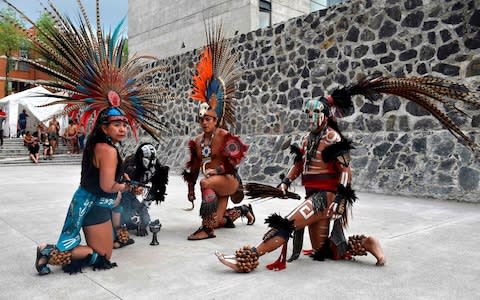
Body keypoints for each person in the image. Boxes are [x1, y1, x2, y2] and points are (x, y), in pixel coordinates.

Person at [13, 0, 171, 275]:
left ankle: (63, 249)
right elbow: (108, 186)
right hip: (94, 203)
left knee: (105, 251)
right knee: (101, 256)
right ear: (104, 126)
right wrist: (128, 187)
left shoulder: (103, 145)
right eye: (117, 124)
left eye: (125, 123)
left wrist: (123, 185)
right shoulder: (107, 150)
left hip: (93, 201)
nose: (123, 128)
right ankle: (49, 252)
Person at [183, 24, 252, 241]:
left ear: (216, 119)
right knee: (219, 219)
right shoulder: (195, 141)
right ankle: (241, 211)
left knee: (207, 183)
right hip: (213, 182)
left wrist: (218, 170)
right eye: (202, 119)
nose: (205, 122)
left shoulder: (224, 136)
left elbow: (237, 159)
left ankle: (206, 229)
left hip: (228, 181)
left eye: (209, 119)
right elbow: (194, 167)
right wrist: (191, 188)